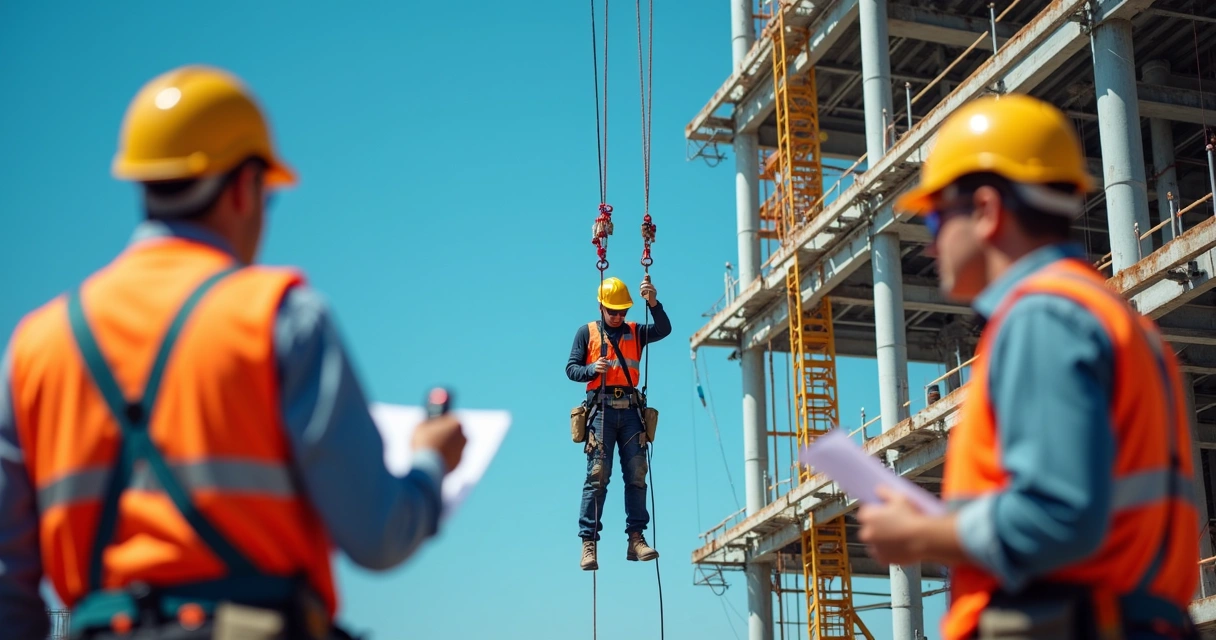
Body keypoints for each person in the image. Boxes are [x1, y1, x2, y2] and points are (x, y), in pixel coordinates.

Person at [0, 65, 467, 640]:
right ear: (246, 186)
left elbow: (9, 593)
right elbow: (378, 534)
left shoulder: (35, 347)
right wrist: (429, 464)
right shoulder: (281, 317)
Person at [856, 93, 1200, 639]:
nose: (929, 243)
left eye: (938, 215)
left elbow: (1058, 517)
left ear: (988, 211)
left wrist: (921, 533)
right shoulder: (1114, 320)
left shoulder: (1043, 317)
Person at [566, 275, 671, 571]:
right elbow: (571, 368)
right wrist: (590, 370)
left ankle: (636, 539)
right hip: (601, 411)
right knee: (598, 475)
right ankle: (589, 543)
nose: (617, 316)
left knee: (637, 474)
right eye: (612, 311)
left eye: (622, 311)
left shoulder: (636, 332)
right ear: (601, 307)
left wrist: (653, 302)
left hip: (630, 412)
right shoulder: (586, 333)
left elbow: (664, 328)